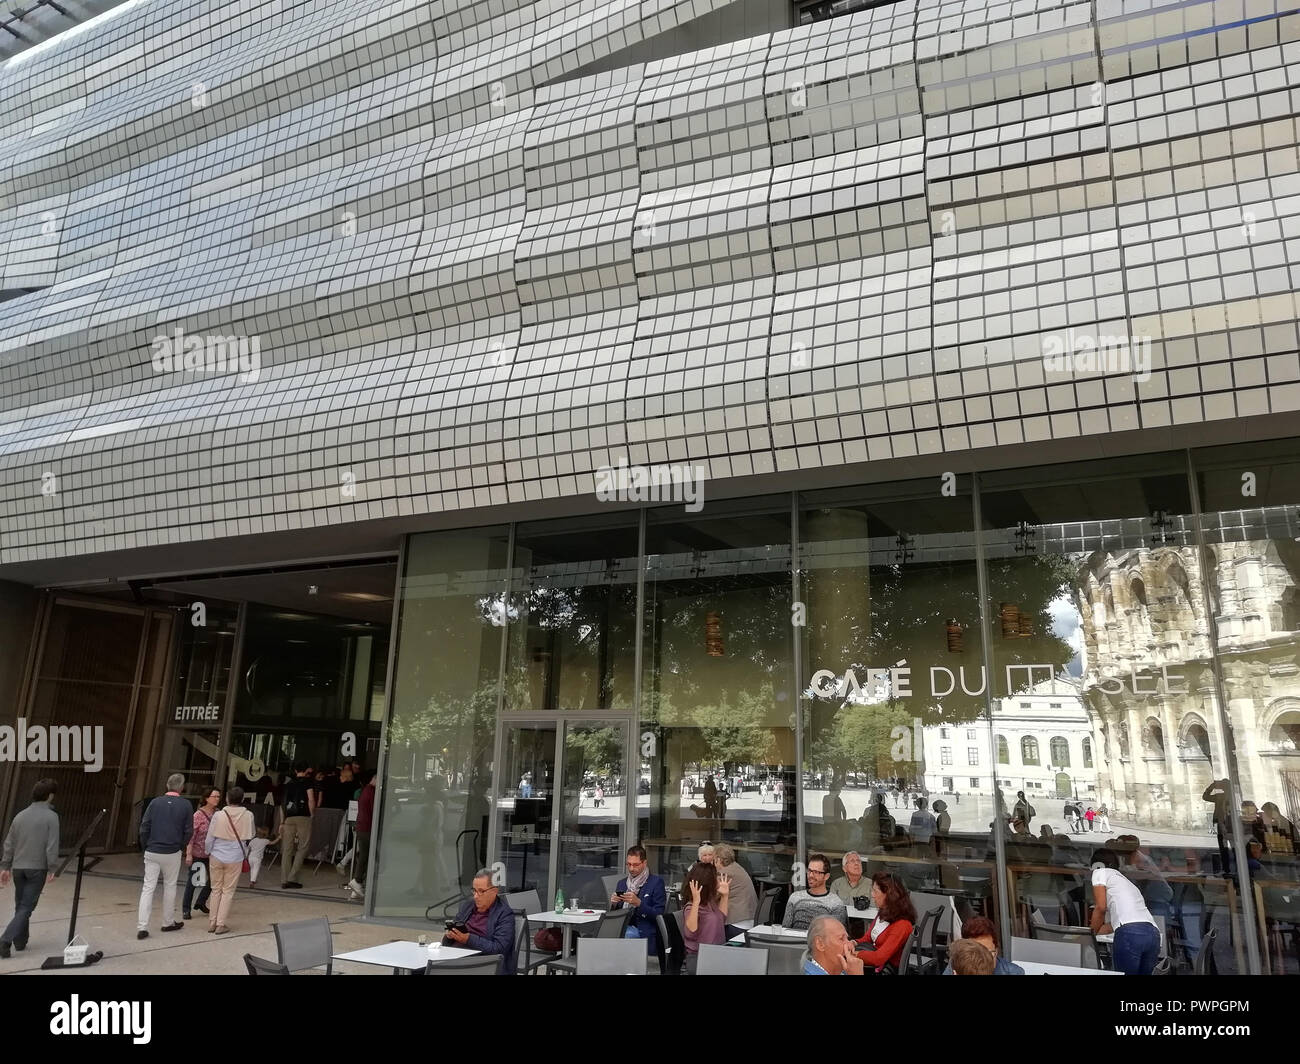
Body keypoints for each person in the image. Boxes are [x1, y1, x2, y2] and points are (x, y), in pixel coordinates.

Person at [0, 778, 60, 958]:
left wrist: (5, 866)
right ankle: (6, 939)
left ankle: (21, 941)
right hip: (37, 868)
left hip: (18, 867)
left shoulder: (20, 816)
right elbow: (52, 846)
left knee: (21, 905)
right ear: (50, 796)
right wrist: (52, 868)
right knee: (27, 906)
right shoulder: (51, 817)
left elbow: (9, 842)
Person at [136, 773, 193, 940]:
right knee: (170, 886)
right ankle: (168, 922)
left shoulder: (155, 802)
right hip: (172, 851)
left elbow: (144, 826)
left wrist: (145, 845)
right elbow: (189, 830)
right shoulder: (186, 805)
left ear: (167, 786)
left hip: (152, 850)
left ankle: (142, 926)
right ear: (182, 787)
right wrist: (180, 846)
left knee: (148, 887)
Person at [1089, 848, 1160, 975]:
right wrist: (1097, 931)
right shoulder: (1125, 883)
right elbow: (1113, 925)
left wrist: (1089, 935)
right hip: (1153, 934)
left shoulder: (1100, 872)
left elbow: (1100, 908)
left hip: (1130, 935)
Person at [443, 869, 515, 974]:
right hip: (457, 956)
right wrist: (450, 936)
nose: (476, 896)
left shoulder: (504, 914)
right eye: (474, 890)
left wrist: (468, 939)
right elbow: (447, 941)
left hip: (482, 964)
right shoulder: (468, 906)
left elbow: (499, 949)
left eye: (481, 891)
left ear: (494, 891)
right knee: (420, 969)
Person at [205, 787, 254, 934]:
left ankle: (212, 922)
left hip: (217, 854)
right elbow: (250, 835)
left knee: (215, 890)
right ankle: (221, 924)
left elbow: (210, 837)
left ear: (227, 798)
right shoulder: (248, 815)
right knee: (228, 891)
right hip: (235, 856)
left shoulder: (219, 815)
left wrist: (208, 851)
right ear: (242, 799)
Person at [611, 845, 667, 960]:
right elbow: (614, 915)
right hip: (623, 927)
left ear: (644, 863)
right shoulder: (622, 883)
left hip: (644, 930)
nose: (631, 868)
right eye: (629, 864)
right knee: (603, 935)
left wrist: (639, 904)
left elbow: (660, 915)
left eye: (635, 864)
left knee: (624, 937)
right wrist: (614, 904)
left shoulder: (656, 883)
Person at [855, 871, 917, 972]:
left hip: (885, 969)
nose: (872, 895)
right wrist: (853, 943)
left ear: (888, 895)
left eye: (875, 891)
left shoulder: (902, 925)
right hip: (876, 963)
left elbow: (878, 958)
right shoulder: (884, 912)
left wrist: (854, 954)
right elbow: (868, 937)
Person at [681, 861, 728, 973]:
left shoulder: (709, 902)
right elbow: (690, 932)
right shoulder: (691, 907)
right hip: (700, 958)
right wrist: (696, 901)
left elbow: (721, 920)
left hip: (716, 953)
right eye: (715, 877)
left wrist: (725, 896)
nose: (718, 880)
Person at [182, 787, 221, 920]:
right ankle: (186, 909)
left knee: (214, 881)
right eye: (214, 796)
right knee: (193, 881)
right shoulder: (198, 815)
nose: (217, 799)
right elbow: (191, 836)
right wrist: (188, 853)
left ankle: (201, 902)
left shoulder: (219, 813)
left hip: (213, 854)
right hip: (198, 853)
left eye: (218, 796)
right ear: (206, 798)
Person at [782, 853, 847, 931]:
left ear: (826, 876)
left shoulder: (836, 903)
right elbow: (785, 930)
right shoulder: (794, 897)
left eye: (816, 872)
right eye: (809, 871)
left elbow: (836, 934)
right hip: (794, 941)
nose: (810, 875)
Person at [943, 916, 1024, 975]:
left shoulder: (1013, 973)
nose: (982, 958)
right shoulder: (957, 964)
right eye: (973, 954)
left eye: (988, 953)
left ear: (996, 950)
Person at [279, 762, 316, 889]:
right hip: (303, 816)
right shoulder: (308, 782)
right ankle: (292, 878)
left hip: (288, 817)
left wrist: (282, 821)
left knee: (287, 848)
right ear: (306, 771)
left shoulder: (288, 784)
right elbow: (311, 799)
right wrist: (312, 814)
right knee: (303, 847)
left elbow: (282, 803)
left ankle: (284, 879)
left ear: (295, 771)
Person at [712, 843, 757, 928]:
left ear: (717, 859)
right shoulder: (736, 867)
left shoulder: (724, 873)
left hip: (735, 922)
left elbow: (712, 897)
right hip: (748, 918)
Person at [348, 770, 377, 898]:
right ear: (375, 779)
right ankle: (357, 881)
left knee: (364, 855)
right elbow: (374, 810)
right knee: (368, 856)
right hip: (368, 827)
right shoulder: (372, 791)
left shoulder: (365, 790)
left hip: (362, 826)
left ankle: (356, 888)